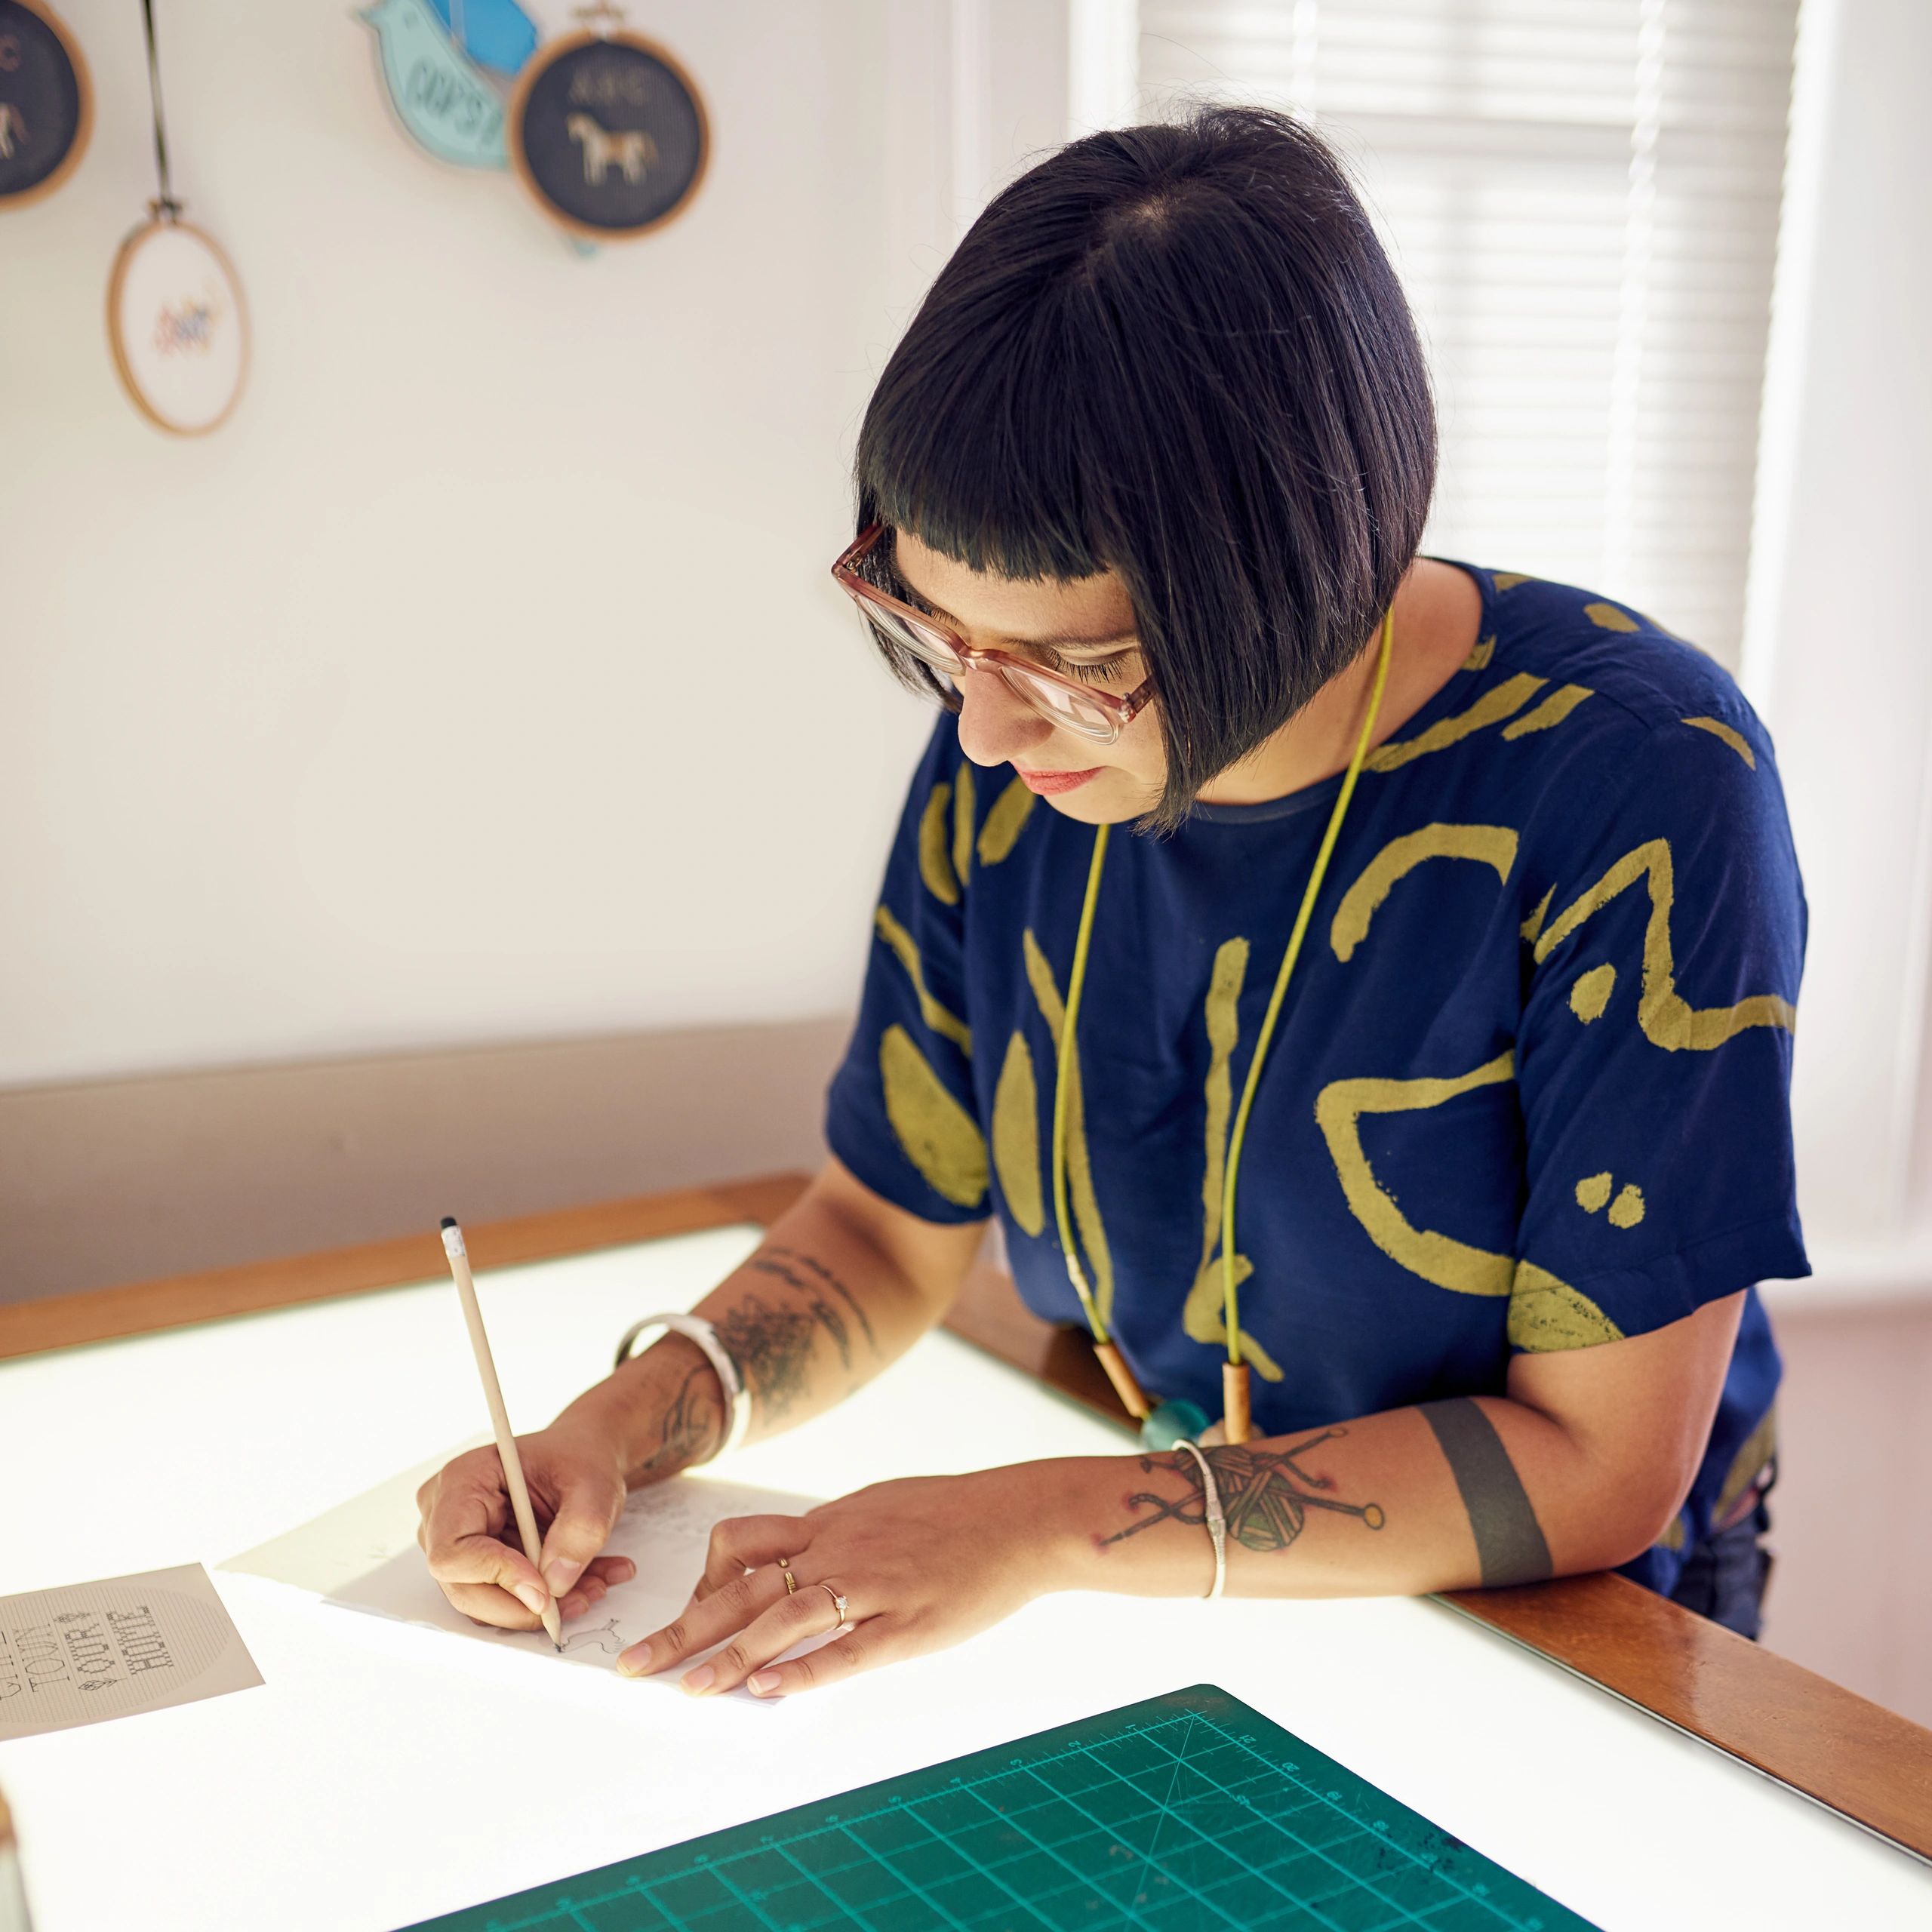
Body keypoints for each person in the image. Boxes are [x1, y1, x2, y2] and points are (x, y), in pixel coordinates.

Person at [416, 106, 1804, 1696]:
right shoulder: (1015, 758)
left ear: (1292, 581)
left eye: (1073, 672)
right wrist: (617, 1428)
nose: (982, 730)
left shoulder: (1640, 787)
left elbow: (1595, 1463)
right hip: (1166, 1564)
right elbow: (884, 1218)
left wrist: (1029, 1527)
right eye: (934, 633)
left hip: (1552, 1620)